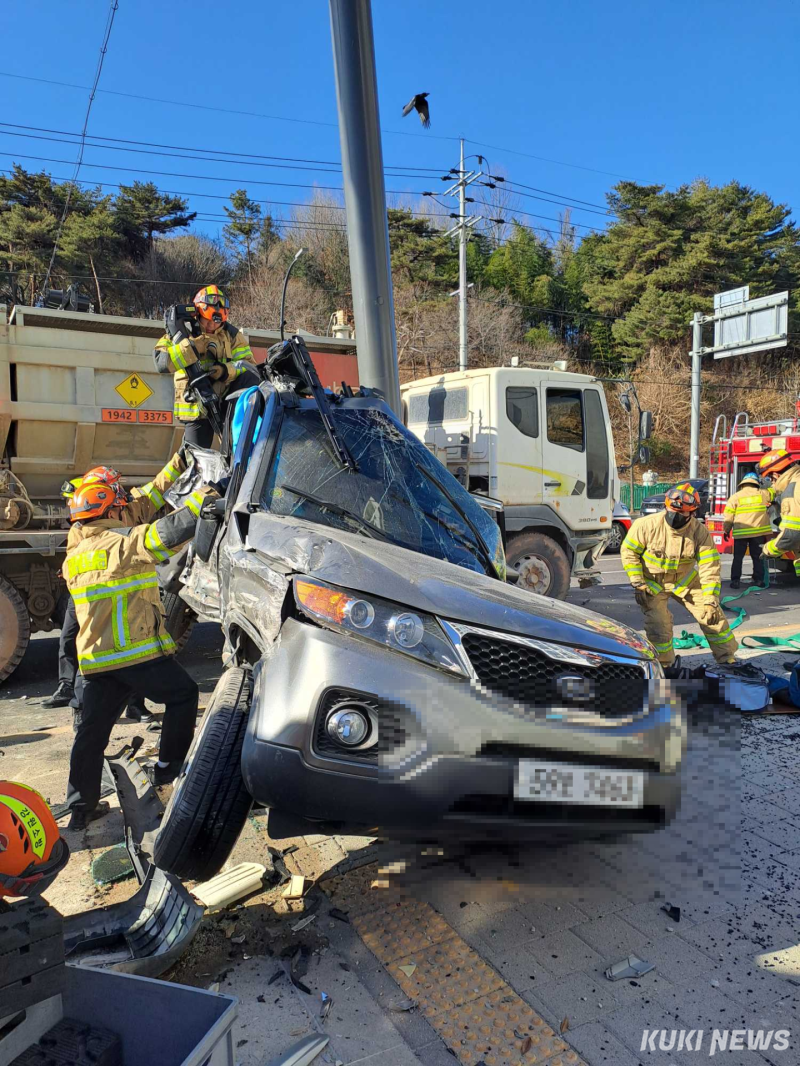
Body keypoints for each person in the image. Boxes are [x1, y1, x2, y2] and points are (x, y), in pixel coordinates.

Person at [63, 471, 215, 830]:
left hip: (97, 661)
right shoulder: (119, 544)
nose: (125, 513)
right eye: (120, 508)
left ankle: (80, 807)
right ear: (110, 511)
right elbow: (164, 535)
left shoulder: (74, 556)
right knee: (183, 695)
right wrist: (207, 497)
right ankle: (168, 772)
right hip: (134, 653)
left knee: (91, 733)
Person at [43, 452, 188, 718]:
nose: (120, 493)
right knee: (81, 641)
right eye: (114, 488)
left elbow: (157, 488)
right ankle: (73, 697)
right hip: (92, 594)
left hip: (123, 591)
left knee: (133, 646)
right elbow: (79, 560)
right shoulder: (83, 526)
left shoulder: (129, 508)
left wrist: (180, 460)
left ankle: (134, 706)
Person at [621, 483, 737, 673]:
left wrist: (710, 600)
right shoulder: (646, 525)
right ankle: (665, 666)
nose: (676, 515)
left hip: (686, 581)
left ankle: (728, 660)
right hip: (653, 584)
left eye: (682, 513)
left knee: (712, 617)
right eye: (672, 510)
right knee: (659, 624)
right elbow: (629, 552)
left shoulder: (699, 532)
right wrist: (638, 582)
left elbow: (709, 566)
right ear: (666, 506)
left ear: (692, 513)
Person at [154, 285, 259, 448]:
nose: (211, 325)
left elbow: (249, 366)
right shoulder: (180, 331)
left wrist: (225, 371)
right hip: (195, 406)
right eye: (207, 320)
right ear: (198, 313)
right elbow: (161, 363)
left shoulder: (232, 335)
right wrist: (191, 347)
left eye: (216, 322)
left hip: (225, 404)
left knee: (236, 451)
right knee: (192, 457)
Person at [722, 471, 773, 589]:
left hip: (741, 534)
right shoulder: (763, 494)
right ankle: (759, 580)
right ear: (756, 483)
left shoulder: (735, 497)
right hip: (758, 533)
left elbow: (728, 516)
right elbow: (775, 491)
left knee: (738, 558)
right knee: (757, 557)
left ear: (743, 483)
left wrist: (726, 530)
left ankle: (735, 581)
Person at [759, 449, 800, 578]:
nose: (771, 483)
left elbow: (791, 535)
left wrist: (768, 549)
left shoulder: (792, 490)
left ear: (776, 475)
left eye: (770, 478)